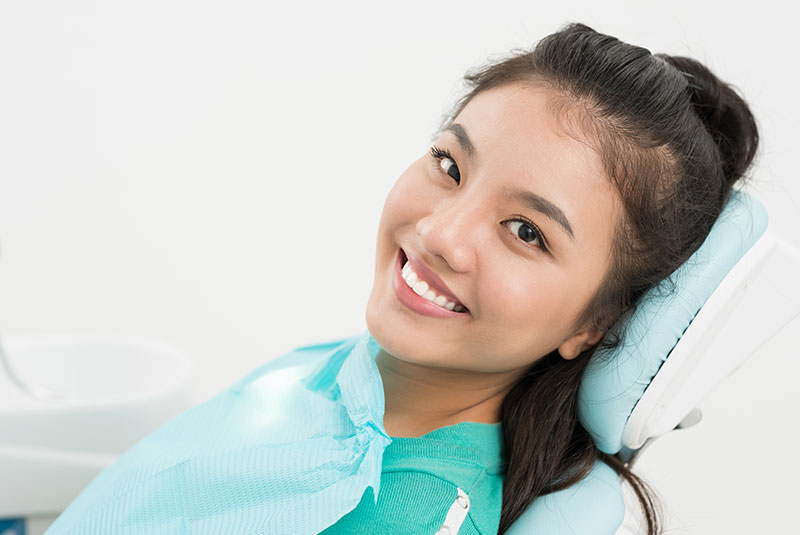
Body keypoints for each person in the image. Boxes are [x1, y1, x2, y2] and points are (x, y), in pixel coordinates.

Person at [46, 22, 758, 535]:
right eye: (451, 165)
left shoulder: (420, 513)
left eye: (525, 232)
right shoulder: (354, 376)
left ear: (593, 322)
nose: (441, 234)